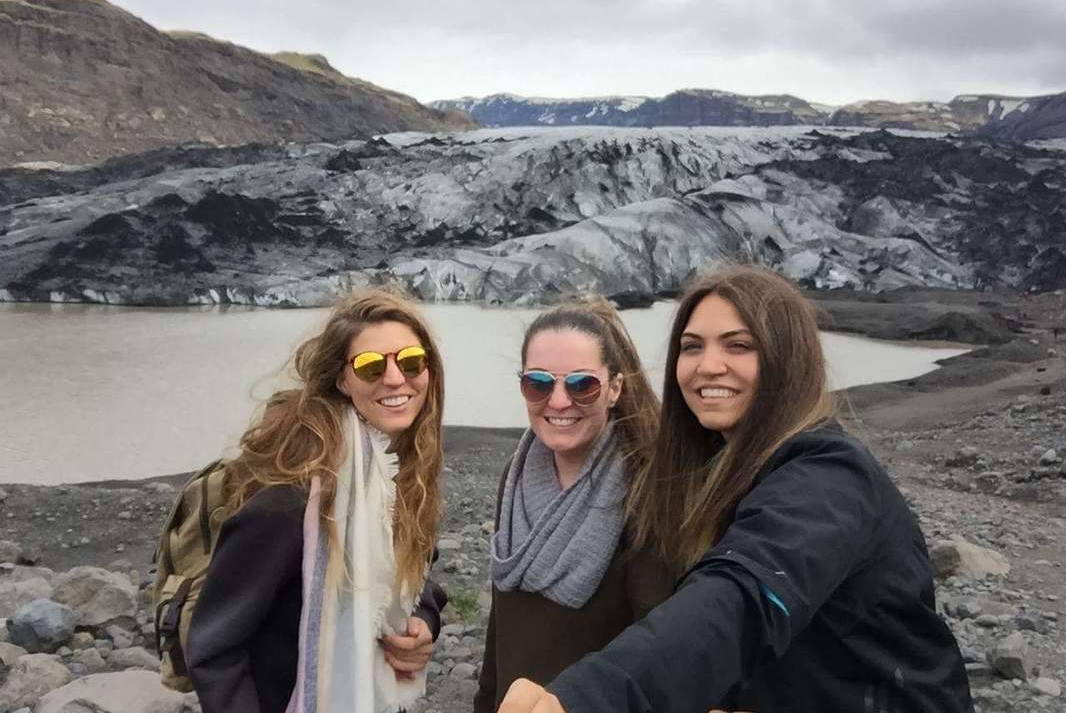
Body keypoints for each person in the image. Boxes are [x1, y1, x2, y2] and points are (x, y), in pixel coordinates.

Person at [499, 265, 974, 713]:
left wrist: (587, 698)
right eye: (692, 346)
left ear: (787, 356)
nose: (709, 366)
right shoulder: (718, 474)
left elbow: (741, 599)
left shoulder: (829, 475)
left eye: (738, 345)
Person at [187, 287, 448, 713]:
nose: (396, 378)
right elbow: (214, 646)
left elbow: (416, 574)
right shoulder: (291, 498)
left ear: (429, 370)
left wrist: (423, 624)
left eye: (411, 360)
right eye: (370, 366)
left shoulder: (397, 473)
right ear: (342, 379)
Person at [474, 300, 675, 712]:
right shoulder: (516, 477)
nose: (560, 402)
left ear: (615, 388)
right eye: (539, 384)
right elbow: (502, 627)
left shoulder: (646, 490)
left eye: (583, 385)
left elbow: (658, 647)